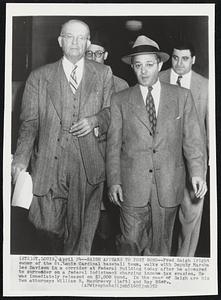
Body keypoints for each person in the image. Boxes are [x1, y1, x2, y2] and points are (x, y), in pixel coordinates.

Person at [11, 19, 114, 255]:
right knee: (45, 229)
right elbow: (29, 124)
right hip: (48, 165)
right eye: (69, 37)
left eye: (81, 38)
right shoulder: (39, 77)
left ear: (88, 42)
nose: (75, 42)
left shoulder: (103, 73)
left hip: (87, 167)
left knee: (80, 237)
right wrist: (20, 159)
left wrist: (95, 120)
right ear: (60, 41)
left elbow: (111, 113)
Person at [106, 35, 207, 256]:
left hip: (169, 184)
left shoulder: (182, 97)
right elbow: (113, 146)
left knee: (161, 246)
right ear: (132, 67)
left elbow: (193, 141)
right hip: (131, 185)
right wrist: (113, 181)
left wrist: (197, 173)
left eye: (149, 65)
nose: (144, 71)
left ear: (160, 64)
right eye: (138, 65)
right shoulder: (119, 100)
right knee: (129, 241)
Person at [159, 41, 208, 256]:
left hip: (194, 163)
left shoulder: (206, 86)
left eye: (185, 58)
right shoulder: (158, 78)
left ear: (194, 60)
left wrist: (204, 166)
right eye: (175, 57)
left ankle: (184, 264)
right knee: (160, 217)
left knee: (190, 219)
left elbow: (209, 128)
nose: (179, 63)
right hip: (162, 161)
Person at [85, 30, 128, 254]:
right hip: (86, 155)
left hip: (111, 155)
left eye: (98, 54)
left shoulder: (121, 86)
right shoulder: (78, 82)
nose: (93, 58)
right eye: (88, 54)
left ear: (106, 55)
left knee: (109, 214)